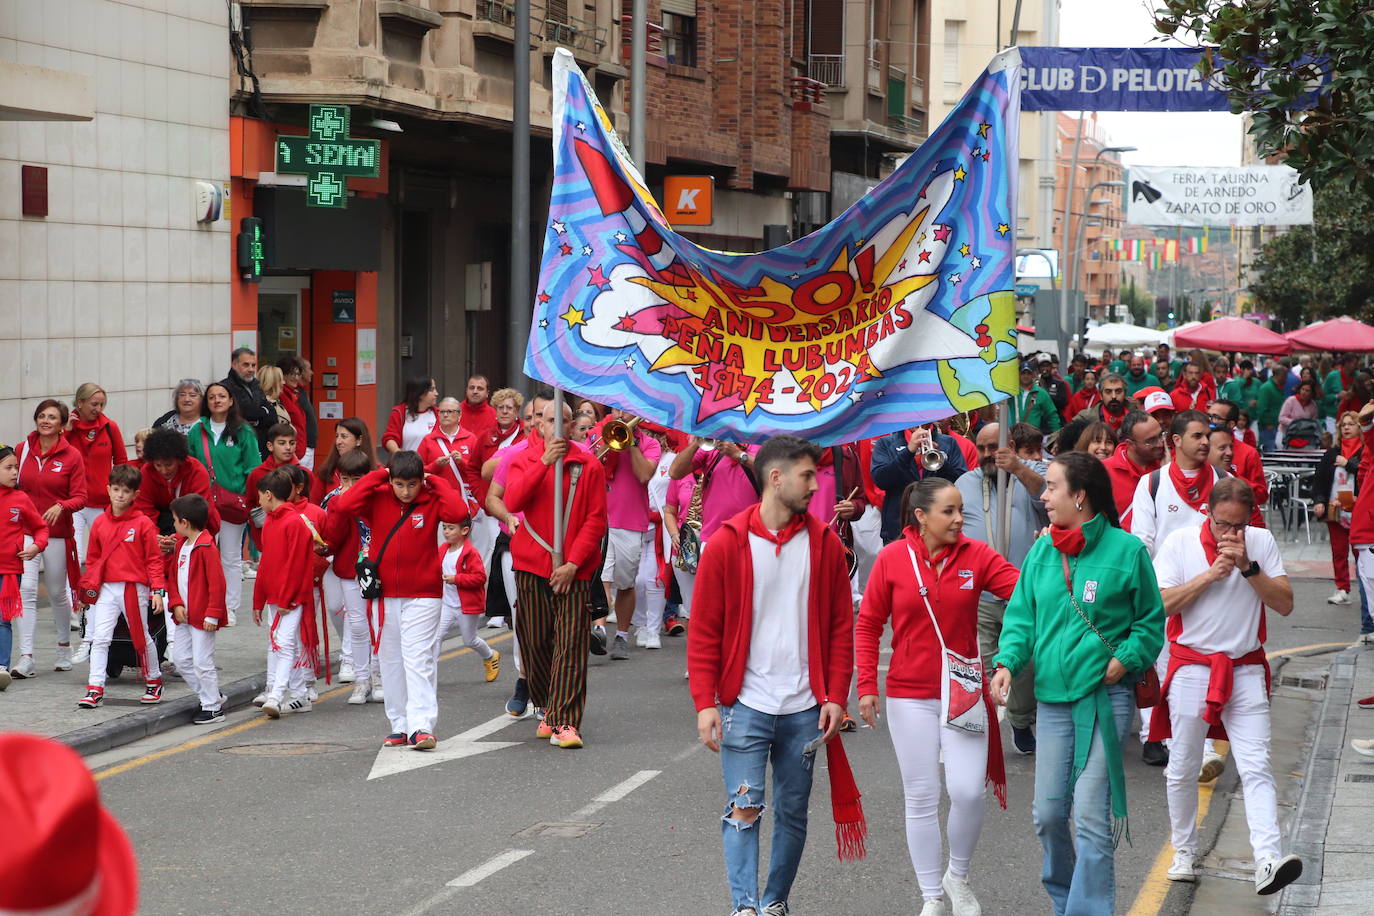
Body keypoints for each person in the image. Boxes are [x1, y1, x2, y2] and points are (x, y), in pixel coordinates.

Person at [689, 435, 867, 916]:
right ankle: (744, 907)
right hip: (744, 704)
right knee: (743, 810)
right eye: (807, 476)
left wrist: (835, 695)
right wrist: (706, 702)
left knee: (792, 813)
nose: (815, 485)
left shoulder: (826, 544)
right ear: (776, 478)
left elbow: (837, 627)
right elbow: (704, 630)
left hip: (805, 707)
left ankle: (774, 903)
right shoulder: (727, 542)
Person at [990, 452, 1165, 916]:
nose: (1043, 496)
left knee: (1089, 815)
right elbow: (1021, 619)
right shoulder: (1041, 552)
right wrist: (1006, 662)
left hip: (1106, 699)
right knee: (1047, 816)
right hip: (1051, 702)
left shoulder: (1127, 552)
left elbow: (1150, 622)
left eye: (1051, 486)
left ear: (1080, 496)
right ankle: (1066, 901)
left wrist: (1124, 658)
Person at [857, 477, 1017, 915]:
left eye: (960, 509)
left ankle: (957, 877)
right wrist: (867, 686)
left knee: (968, 792)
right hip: (909, 694)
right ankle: (931, 896)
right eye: (948, 511)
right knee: (922, 796)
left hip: (964, 692)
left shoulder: (978, 555)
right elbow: (868, 624)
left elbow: (1023, 594)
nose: (959, 518)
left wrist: (1008, 656)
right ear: (921, 517)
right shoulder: (893, 559)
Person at [1148, 478, 1304, 895]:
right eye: (1223, 525)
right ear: (1207, 513)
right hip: (1192, 667)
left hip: (1246, 668)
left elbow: (1285, 603)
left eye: (1239, 525)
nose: (1232, 534)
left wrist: (1248, 568)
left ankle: (1267, 859)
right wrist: (1210, 576)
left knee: (1256, 766)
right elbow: (1158, 605)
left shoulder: (1261, 541)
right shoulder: (1180, 543)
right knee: (1182, 766)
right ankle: (1183, 851)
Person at [330, 452, 470, 748]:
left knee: (417, 657)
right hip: (384, 595)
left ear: (421, 482)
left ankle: (421, 726)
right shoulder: (378, 494)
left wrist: (435, 482)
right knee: (390, 660)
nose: (406, 492)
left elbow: (458, 513)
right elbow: (343, 504)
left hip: (424, 593)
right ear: (390, 480)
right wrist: (380, 475)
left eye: (412, 485)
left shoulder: (431, 498)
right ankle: (399, 724)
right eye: (399, 484)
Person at [502, 398, 608, 748]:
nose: (558, 427)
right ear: (539, 426)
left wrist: (574, 563)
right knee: (534, 642)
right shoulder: (521, 459)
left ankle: (566, 720)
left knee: (571, 644)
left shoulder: (589, 465)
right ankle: (547, 705)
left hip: (574, 571)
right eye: (551, 421)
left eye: (565, 420)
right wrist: (544, 464)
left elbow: (596, 520)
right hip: (531, 566)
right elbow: (513, 500)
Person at [1129, 410, 1222, 768]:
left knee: (1203, 671)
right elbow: (1142, 542)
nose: (1204, 442)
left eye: (1207, 436)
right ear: (1176, 441)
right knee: (1161, 668)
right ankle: (1155, 736)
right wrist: (1146, 593)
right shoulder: (1152, 484)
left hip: (1210, 596)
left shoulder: (1222, 481)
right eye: (1197, 436)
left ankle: (1202, 746)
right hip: (1163, 596)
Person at [957, 422, 1046, 755]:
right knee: (978, 663)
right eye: (981, 448)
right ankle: (978, 726)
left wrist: (1019, 468)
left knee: (1023, 666)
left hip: (1023, 592)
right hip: (977, 592)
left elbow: (1045, 500)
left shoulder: (1033, 472)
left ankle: (1021, 721)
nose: (986, 455)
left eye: (993, 447)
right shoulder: (966, 482)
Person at [76, 464, 164, 709]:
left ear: (135, 494)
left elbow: (154, 560)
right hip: (106, 588)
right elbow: (93, 560)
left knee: (141, 637)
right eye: (116, 489)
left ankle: (154, 679)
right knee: (100, 638)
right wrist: (87, 589)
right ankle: (95, 688)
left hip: (134, 588)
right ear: (108, 489)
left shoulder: (144, 523)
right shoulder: (101, 523)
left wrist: (157, 590)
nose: (120, 495)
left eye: (126, 491)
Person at [16, 399, 87, 678]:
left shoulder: (72, 456)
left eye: (52, 417)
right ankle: (26, 657)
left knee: (57, 593)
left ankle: (62, 649)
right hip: (25, 532)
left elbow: (81, 497)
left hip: (57, 534)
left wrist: (63, 505)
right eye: (42, 416)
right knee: (27, 591)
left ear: (62, 425)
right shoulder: (22, 451)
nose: (45, 421)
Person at [188, 381, 260, 629]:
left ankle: (229, 607)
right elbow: (190, 467)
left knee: (229, 557)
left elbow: (253, 468)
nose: (217, 400)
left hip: (232, 503)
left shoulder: (244, 432)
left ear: (231, 401)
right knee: (202, 556)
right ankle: (204, 605)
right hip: (202, 504)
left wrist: (249, 497)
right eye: (211, 397)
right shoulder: (197, 432)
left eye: (222, 396)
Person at [251, 468, 319, 719]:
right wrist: (259, 599)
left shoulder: (295, 523)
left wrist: (288, 597)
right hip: (277, 596)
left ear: (269, 495)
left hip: (291, 597)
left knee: (285, 643)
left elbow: (296, 565)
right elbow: (266, 563)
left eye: (259, 496)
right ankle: (300, 695)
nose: (258, 501)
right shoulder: (270, 521)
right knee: (280, 643)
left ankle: (277, 695)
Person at [595, 409, 663, 658]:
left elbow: (644, 474)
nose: (621, 413)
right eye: (616, 409)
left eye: (626, 410)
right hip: (599, 518)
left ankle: (622, 635)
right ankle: (599, 629)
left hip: (630, 520)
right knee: (601, 575)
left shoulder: (651, 444)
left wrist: (630, 442)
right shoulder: (599, 433)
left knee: (625, 582)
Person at [322, 449, 381, 703]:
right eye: (346, 479)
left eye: (357, 480)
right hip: (349, 567)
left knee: (377, 625)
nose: (351, 485)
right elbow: (332, 538)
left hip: (376, 567)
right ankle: (361, 680)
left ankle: (379, 677)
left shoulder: (379, 498)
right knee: (356, 625)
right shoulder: (335, 501)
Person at [167, 493, 228, 724]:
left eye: (174, 520)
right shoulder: (181, 545)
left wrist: (213, 614)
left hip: (203, 617)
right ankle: (211, 696)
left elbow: (217, 584)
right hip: (184, 616)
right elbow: (173, 578)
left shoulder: (206, 548)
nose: (173, 525)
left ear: (184, 522)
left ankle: (212, 707)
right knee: (182, 660)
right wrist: (176, 603)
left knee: (203, 663)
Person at [0, 445, 47, 688]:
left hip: (9, 571)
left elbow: (40, 527)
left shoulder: (21, 498)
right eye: (8, 468)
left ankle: (1, 668)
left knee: (2, 620)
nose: (14, 472)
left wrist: (36, 546)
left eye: (16, 467)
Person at [871, 425, 968, 543]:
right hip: (898, 528)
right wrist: (908, 452)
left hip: (940, 528)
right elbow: (881, 480)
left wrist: (942, 461)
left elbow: (962, 481)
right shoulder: (886, 443)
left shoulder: (948, 443)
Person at [66, 383, 128, 562]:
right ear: (80, 403)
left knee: (106, 552)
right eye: (94, 404)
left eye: (101, 404)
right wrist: (67, 432)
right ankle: (74, 591)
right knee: (73, 554)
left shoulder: (110, 427)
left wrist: (117, 493)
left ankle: (102, 590)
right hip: (73, 501)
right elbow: (55, 457)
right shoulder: (66, 429)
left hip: (101, 501)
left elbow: (121, 461)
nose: (98, 409)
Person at [435, 518, 501, 682]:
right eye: (444, 528)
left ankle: (490, 655)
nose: (446, 532)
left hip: (466, 607)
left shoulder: (470, 553)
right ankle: (429, 675)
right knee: (436, 637)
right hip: (447, 605)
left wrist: (456, 579)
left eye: (451, 528)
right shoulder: (443, 549)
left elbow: (479, 578)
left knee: (469, 640)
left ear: (464, 531)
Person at [668, 437, 763, 544]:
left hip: (749, 537)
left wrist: (739, 455)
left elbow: (773, 471)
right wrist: (697, 442)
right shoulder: (714, 445)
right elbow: (674, 472)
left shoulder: (761, 442)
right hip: (712, 536)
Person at [1314, 411, 1363, 606]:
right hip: (1336, 510)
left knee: (1362, 553)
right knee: (1339, 552)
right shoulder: (1332, 452)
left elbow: (1366, 472)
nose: (1347, 428)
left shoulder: (1366, 451)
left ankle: (1367, 589)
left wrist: (1348, 464)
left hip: (1359, 511)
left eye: (1351, 424)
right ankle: (1342, 589)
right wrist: (1319, 500)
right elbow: (1319, 480)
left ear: (1360, 428)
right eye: (1344, 425)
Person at [1207, 398, 1268, 523]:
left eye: (1216, 418)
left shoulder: (1248, 453)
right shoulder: (1200, 447)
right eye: (1208, 416)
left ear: (1231, 424)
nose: (1210, 421)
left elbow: (1261, 496)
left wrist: (1232, 478)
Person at [1102, 411, 1165, 528]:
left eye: (1161, 435)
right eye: (1151, 441)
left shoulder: (1169, 465)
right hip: (1124, 544)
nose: (1160, 444)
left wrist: (1169, 471)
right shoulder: (1103, 471)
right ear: (1130, 444)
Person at [222, 348, 276, 451]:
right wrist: (262, 413)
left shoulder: (256, 385)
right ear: (234, 365)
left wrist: (259, 415)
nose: (251, 369)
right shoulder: (225, 387)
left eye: (253, 365)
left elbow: (272, 415)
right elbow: (244, 413)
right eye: (246, 365)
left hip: (259, 445)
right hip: (236, 445)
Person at [315, 417, 375, 492]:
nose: (338, 442)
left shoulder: (377, 471)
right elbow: (315, 502)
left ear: (359, 440)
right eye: (337, 436)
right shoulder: (326, 471)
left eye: (344, 436)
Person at [381, 376, 439, 454]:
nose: (436, 393)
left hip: (432, 464)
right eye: (432, 390)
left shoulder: (438, 413)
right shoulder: (400, 412)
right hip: (407, 464)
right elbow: (389, 438)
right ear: (420, 393)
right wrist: (401, 455)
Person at [1009, 360, 1061, 435]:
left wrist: (1057, 435)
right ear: (1019, 374)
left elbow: (1052, 415)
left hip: (1033, 437)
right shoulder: (1011, 392)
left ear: (1033, 375)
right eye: (1023, 373)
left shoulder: (1041, 393)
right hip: (1013, 435)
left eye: (1028, 373)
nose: (1025, 376)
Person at [275, 357, 310, 464]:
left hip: (298, 450)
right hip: (289, 452)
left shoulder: (294, 395)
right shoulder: (280, 396)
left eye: (298, 374)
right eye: (292, 374)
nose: (296, 378)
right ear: (283, 375)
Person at [1255, 368, 1287, 451]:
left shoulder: (1277, 388)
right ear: (1277, 376)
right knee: (1270, 451)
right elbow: (1261, 408)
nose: (1285, 379)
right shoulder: (1266, 388)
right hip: (1268, 427)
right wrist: (1267, 424)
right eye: (1284, 376)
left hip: (1277, 426)